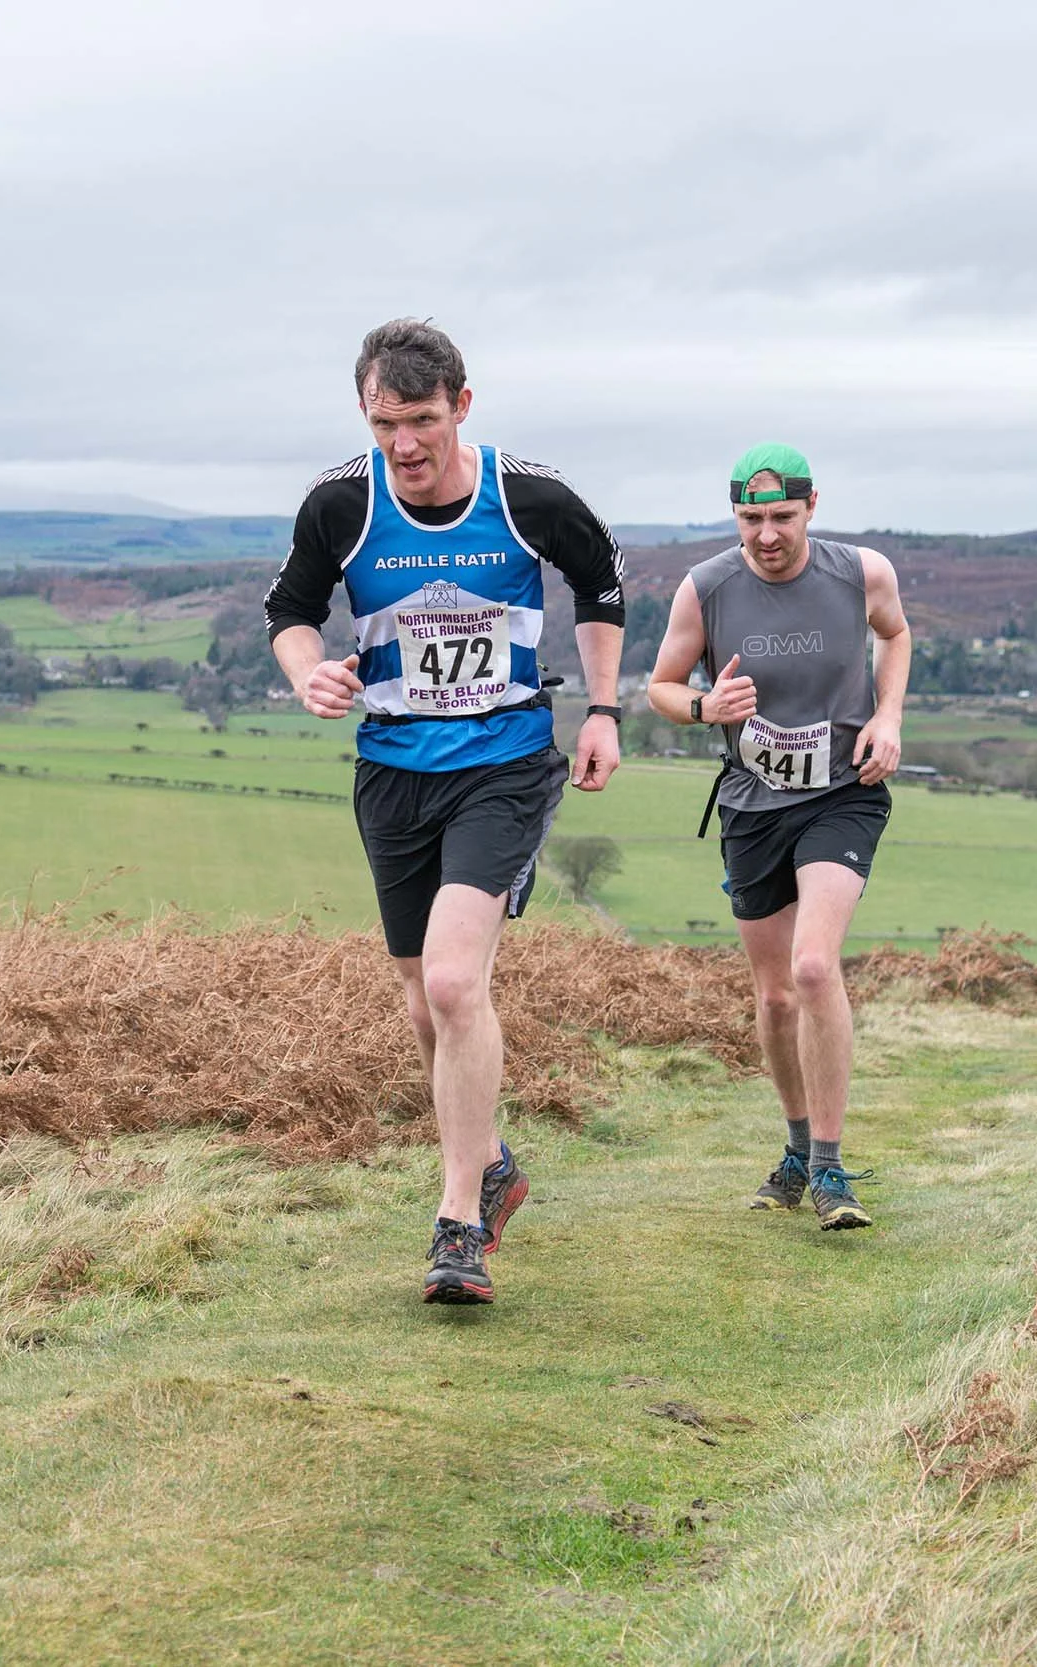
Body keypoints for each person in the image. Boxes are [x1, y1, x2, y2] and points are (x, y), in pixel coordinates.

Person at [263, 319, 626, 1305]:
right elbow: (289, 609)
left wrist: (600, 709)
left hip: (500, 764)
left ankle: (458, 1216)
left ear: (461, 406)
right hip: (390, 769)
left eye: (422, 421)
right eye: (386, 424)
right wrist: (309, 675)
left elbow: (600, 585)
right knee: (423, 999)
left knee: (459, 985)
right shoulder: (341, 502)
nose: (406, 446)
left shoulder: (532, 497)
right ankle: (491, 1157)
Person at [643, 444, 911, 1231]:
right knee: (773, 993)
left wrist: (889, 716)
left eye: (781, 517)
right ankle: (796, 1149)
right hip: (753, 804)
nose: (765, 534)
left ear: (812, 507)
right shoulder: (707, 588)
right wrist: (703, 709)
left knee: (814, 964)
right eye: (750, 518)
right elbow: (660, 685)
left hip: (842, 794)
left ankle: (831, 1168)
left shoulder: (861, 573)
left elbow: (895, 636)